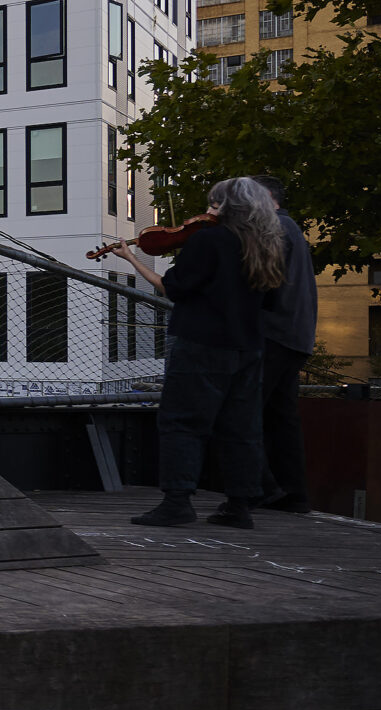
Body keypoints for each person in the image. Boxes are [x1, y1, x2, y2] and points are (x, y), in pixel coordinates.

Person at [103, 177, 287, 529]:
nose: (207, 212)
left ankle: (177, 502)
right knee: (241, 426)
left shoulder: (209, 240)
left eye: (214, 205)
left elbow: (174, 287)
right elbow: (272, 301)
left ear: (226, 207)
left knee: (182, 422)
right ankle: (239, 506)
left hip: (201, 342)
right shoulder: (266, 244)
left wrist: (140, 259)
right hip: (248, 347)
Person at [253, 174, 317, 513]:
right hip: (295, 334)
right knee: (282, 417)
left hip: (272, 332)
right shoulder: (290, 227)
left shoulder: (272, 229)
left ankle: (263, 488)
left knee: (245, 412)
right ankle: (294, 495)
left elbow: (260, 283)